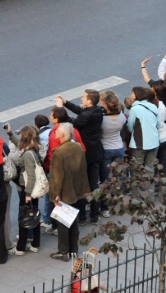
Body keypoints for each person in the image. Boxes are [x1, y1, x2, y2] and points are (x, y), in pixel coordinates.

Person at [56, 90, 104, 224]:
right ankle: (95, 214)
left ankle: (82, 216)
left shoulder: (87, 115)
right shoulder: (98, 110)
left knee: (82, 184)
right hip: (96, 152)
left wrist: (61, 110)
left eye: (84, 97)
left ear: (89, 101)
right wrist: (66, 103)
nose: (82, 98)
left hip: (85, 153)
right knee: (94, 184)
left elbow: (73, 123)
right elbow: (80, 111)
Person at [49, 123, 91, 261]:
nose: (54, 134)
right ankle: (74, 249)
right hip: (78, 189)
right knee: (74, 221)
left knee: (63, 223)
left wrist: (55, 194)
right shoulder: (77, 147)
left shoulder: (59, 152)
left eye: (56, 132)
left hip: (65, 192)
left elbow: (57, 176)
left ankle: (63, 251)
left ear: (62, 135)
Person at [10, 126, 43, 255]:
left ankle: (20, 247)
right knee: (34, 214)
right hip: (33, 188)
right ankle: (35, 244)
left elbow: (31, 175)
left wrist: (28, 194)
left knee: (24, 217)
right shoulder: (34, 148)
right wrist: (10, 135)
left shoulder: (28, 154)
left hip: (28, 189)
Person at [99, 90, 126, 214]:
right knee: (118, 177)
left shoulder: (102, 119)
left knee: (106, 180)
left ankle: (105, 208)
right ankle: (118, 203)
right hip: (119, 148)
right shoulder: (121, 117)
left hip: (106, 149)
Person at [126, 86, 161, 166]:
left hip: (140, 144)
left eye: (133, 93)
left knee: (137, 169)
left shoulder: (135, 109)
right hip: (154, 142)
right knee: (150, 168)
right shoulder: (153, 106)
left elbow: (130, 127)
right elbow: (158, 124)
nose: (131, 95)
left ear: (136, 95)